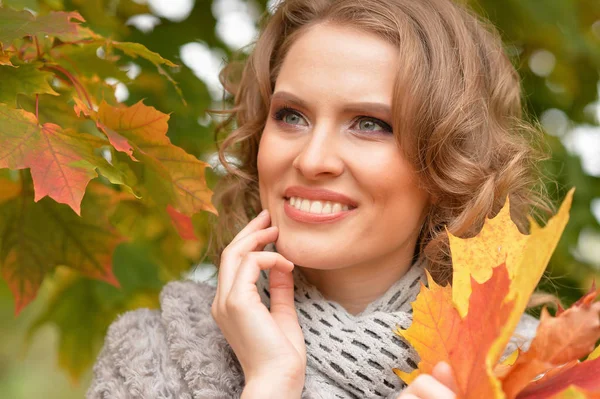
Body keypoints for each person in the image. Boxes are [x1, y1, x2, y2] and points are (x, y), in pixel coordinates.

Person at [87, 0, 549, 398]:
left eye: (369, 123)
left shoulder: (538, 372)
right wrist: (270, 384)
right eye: (291, 116)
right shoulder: (151, 354)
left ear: (450, 162)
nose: (312, 159)